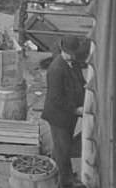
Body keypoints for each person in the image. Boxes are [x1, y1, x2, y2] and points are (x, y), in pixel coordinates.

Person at [42, 36, 88, 188]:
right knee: (63, 149)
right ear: (62, 50)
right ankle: (64, 183)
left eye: (73, 53)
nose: (72, 55)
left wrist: (87, 89)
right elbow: (56, 99)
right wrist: (76, 109)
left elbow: (80, 82)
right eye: (70, 53)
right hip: (58, 116)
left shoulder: (72, 64)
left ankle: (60, 175)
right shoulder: (56, 69)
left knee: (62, 147)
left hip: (68, 116)